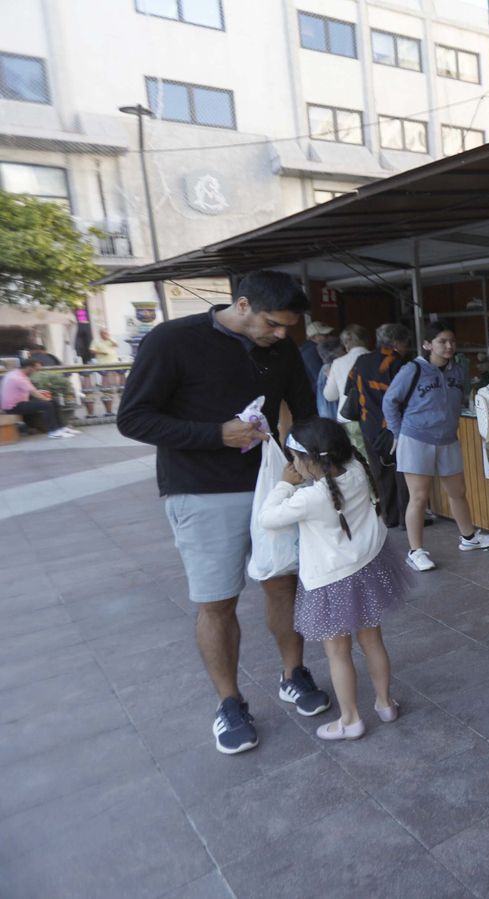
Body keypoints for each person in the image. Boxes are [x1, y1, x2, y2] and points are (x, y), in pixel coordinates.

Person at [117, 269, 329, 756]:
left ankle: (293, 674)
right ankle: (229, 703)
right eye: (273, 324)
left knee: (284, 582)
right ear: (242, 305)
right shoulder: (172, 340)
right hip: (199, 489)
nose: (280, 336)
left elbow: (304, 409)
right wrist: (216, 434)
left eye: (287, 329)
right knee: (217, 601)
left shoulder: (282, 350)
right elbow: (133, 418)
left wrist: (320, 462)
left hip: (272, 486)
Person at [258, 418, 410, 741]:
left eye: (295, 459)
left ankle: (351, 719)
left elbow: (266, 517)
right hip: (366, 568)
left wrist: (284, 484)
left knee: (338, 652)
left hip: (331, 582)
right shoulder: (355, 469)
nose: (293, 465)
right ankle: (385, 704)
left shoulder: (309, 499)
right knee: (372, 641)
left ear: (309, 460)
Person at [384, 321, 489, 571]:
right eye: (442, 342)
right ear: (427, 345)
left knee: (458, 492)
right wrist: (397, 433)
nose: (448, 346)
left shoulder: (458, 370)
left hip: (447, 439)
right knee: (419, 497)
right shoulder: (413, 369)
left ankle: (468, 538)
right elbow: (390, 401)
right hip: (416, 438)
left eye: (452, 341)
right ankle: (415, 551)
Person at [347, 324, 412, 525]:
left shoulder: (361, 361)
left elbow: (349, 389)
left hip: (368, 425)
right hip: (394, 425)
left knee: (380, 472)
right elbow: (407, 397)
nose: (406, 347)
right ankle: (405, 519)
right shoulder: (398, 363)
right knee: (402, 470)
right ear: (396, 343)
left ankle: (388, 517)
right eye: (405, 343)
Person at [2, 358, 78, 438]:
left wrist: (47, 398)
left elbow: (30, 391)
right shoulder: (18, 378)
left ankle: (61, 428)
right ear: (29, 368)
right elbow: (33, 392)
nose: (36, 371)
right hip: (13, 406)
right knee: (47, 405)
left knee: (53, 401)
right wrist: (46, 399)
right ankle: (53, 431)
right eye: (36, 369)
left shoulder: (16, 373)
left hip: (18, 402)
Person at [323, 324, 370, 426]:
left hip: (348, 418)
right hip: (373, 417)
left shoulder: (338, 363)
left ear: (346, 343)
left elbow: (330, 396)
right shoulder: (378, 360)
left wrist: (329, 377)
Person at [314, 340, 345, 420]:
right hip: (334, 416)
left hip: (326, 415)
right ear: (336, 352)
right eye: (342, 349)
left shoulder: (324, 368)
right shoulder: (331, 367)